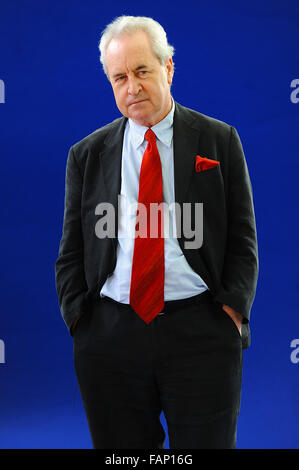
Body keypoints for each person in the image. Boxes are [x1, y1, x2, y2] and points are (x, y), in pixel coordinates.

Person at [55, 15, 258, 449]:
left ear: (168, 68)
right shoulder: (86, 155)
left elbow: (243, 239)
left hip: (201, 332)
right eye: (119, 77)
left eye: (143, 71)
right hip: (110, 339)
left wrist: (231, 314)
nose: (132, 87)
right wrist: (81, 322)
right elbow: (71, 250)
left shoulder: (218, 141)